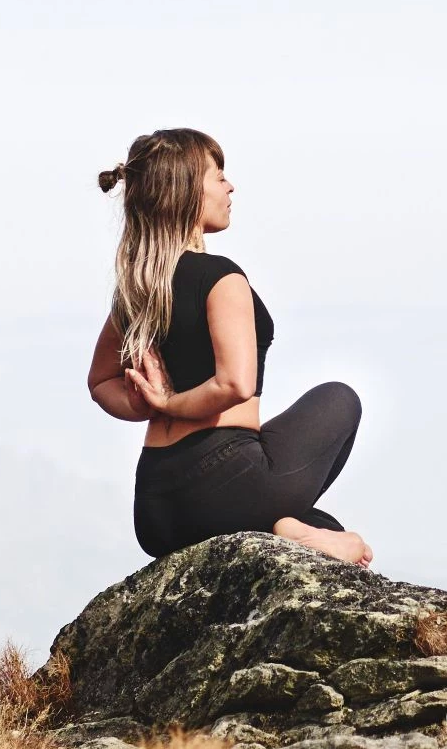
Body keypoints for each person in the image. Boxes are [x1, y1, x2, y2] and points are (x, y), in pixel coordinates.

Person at [86, 128, 372, 566]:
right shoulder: (221, 277)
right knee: (339, 398)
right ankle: (279, 524)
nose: (230, 185)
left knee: (325, 525)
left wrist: (146, 406)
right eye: (217, 175)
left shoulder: (137, 288)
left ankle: (285, 527)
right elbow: (236, 383)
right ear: (185, 190)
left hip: (157, 510)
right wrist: (169, 401)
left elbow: (100, 380)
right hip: (224, 482)